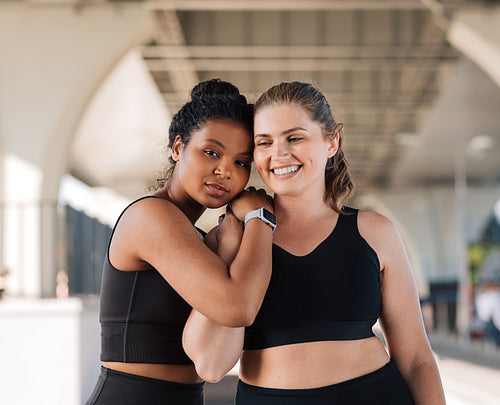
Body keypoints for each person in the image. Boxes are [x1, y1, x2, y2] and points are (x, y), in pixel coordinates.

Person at [183, 81, 446, 404]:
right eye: (264, 142)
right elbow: (210, 365)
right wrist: (250, 229)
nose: (279, 154)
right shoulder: (235, 236)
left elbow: (417, 360)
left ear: (332, 141)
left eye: (295, 138)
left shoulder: (374, 232)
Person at [85, 79, 275, 405]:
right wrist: (262, 219)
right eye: (211, 152)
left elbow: (213, 363)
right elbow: (239, 307)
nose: (224, 170)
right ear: (178, 148)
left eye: (241, 162)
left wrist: (230, 245)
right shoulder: (150, 216)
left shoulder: (201, 239)